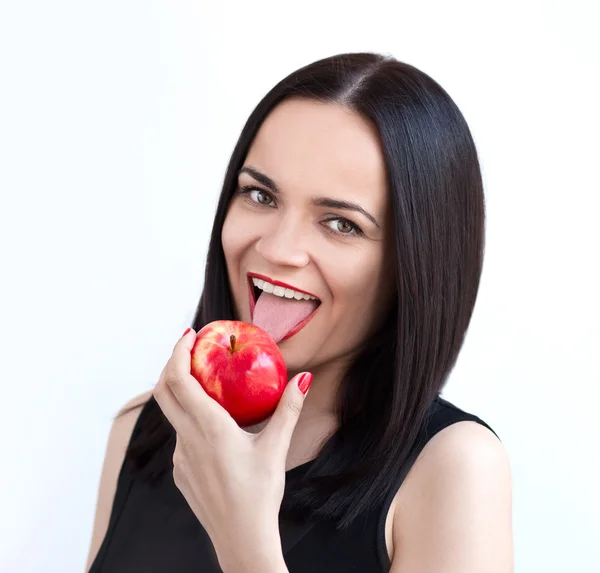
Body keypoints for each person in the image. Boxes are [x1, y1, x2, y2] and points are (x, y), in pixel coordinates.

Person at [85, 52, 513, 572]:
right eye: (260, 195)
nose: (279, 248)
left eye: (341, 224)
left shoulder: (453, 469)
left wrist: (246, 545)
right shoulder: (141, 429)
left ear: (415, 264)